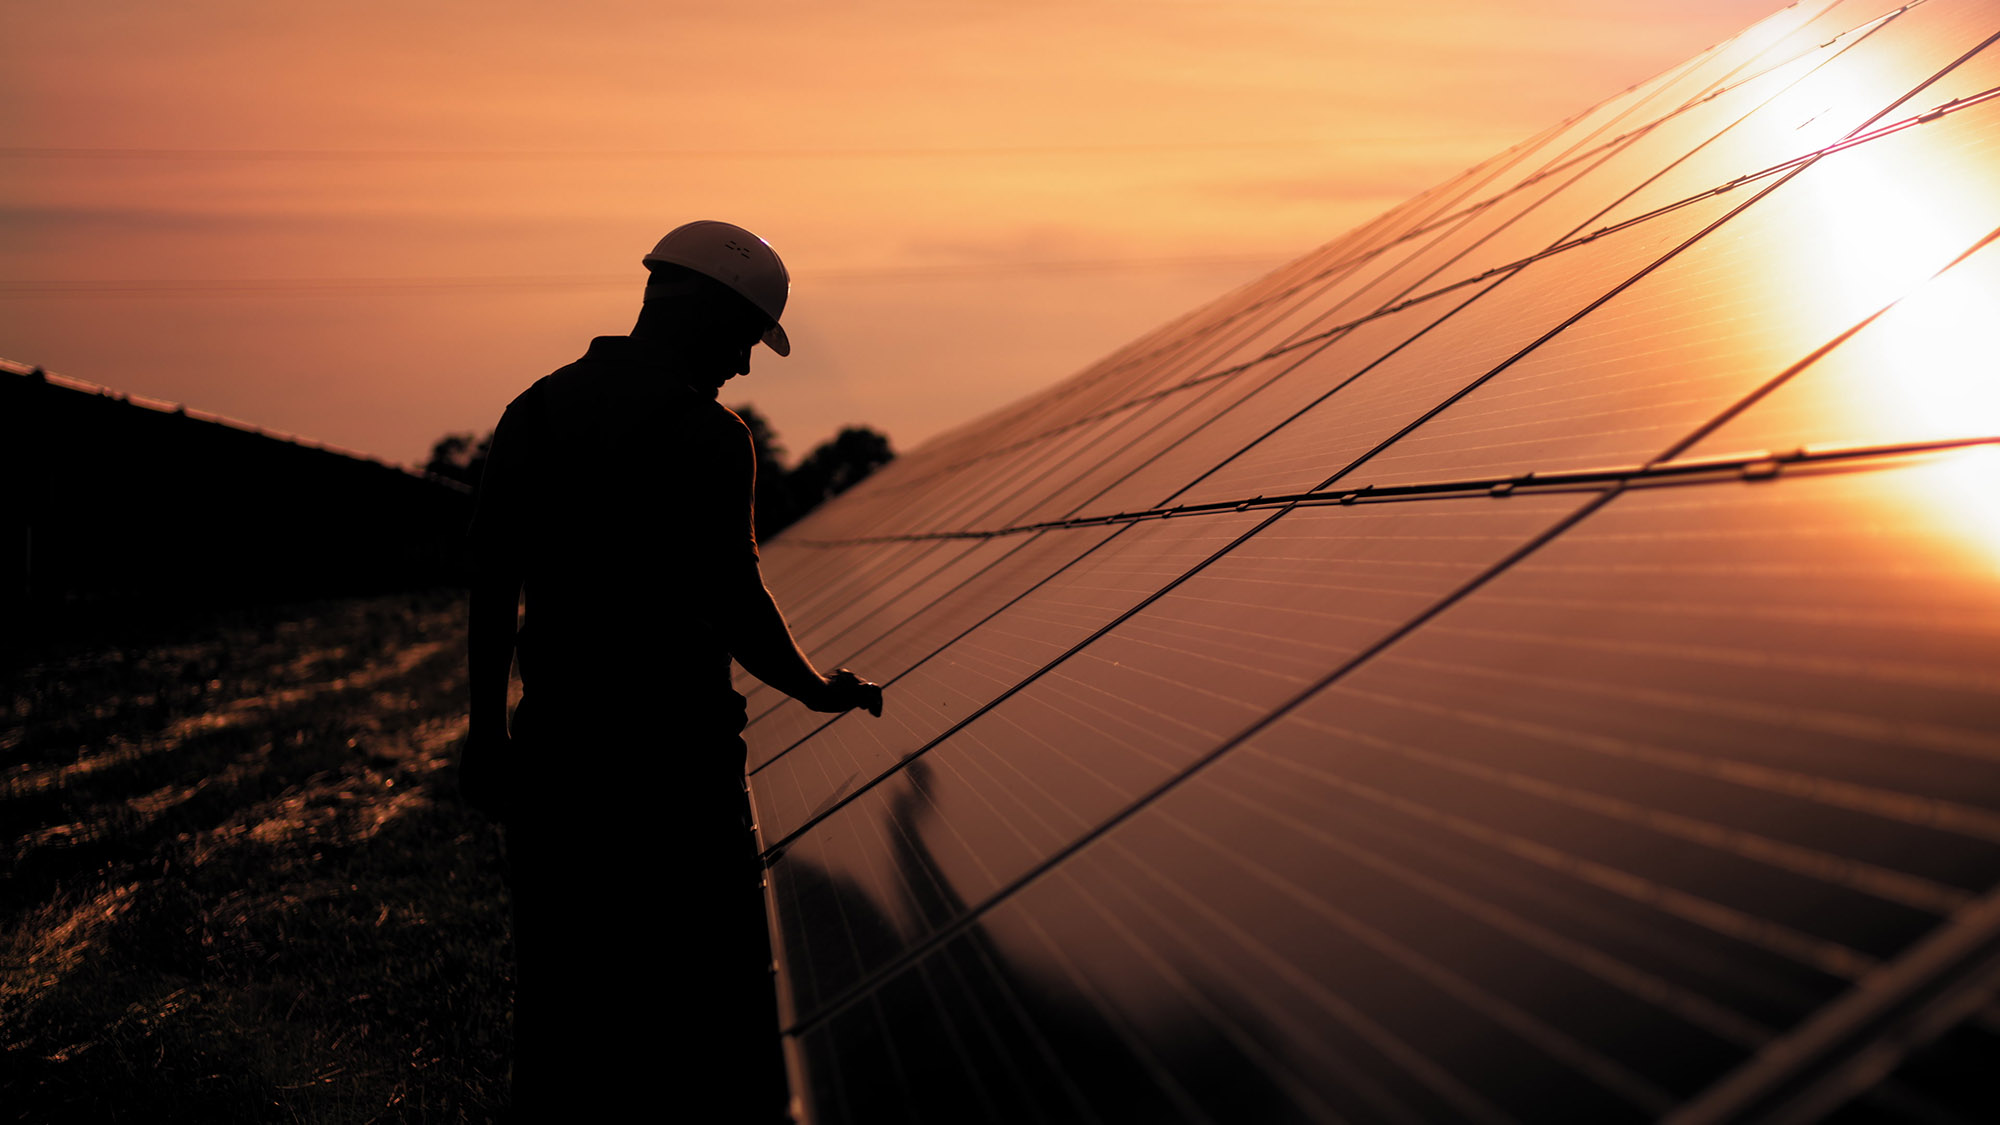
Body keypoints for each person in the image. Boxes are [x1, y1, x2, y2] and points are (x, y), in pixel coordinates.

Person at [457, 220, 884, 1121]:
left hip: (558, 754)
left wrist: (488, 736)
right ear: (700, 308)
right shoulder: (710, 439)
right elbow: (737, 599)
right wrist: (815, 688)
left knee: (563, 1002)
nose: (745, 364)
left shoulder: (533, 411)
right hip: (675, 769)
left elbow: (494, 585)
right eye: (742, 336)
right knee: (700, 1005)